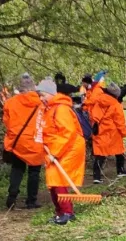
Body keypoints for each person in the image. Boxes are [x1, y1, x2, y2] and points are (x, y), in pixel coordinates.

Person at [36, 78, 85, 225]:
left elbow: (68, 133)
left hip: (68, 148)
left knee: (57, 180)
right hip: (56, 148)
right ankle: (60, 213)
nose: (41, 98)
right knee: (53, 181)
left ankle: (67, 213)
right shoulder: (49, 108)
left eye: (43, 95)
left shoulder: (61, 109)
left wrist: (55, 153)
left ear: (51, 94)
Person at [2, 73, 44, 209]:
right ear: (33, 87)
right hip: (35, 142)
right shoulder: (41, 103)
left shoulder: (10, 103)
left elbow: (6, 122)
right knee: (34, 172)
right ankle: (31, 201)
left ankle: (12, 198)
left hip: (17, 142)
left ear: (20, 88)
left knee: (17, 169)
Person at [85, 82, 126, 183]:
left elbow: (93, 116)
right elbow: (120, 122)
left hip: (100, 131)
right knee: (119, 151)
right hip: (113, 133)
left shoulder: (99, 101)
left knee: (100, 154)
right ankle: (120, 170)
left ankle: (96, 177)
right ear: (116, 94)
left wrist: (95, 126)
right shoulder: (116, 105)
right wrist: (124, 132)